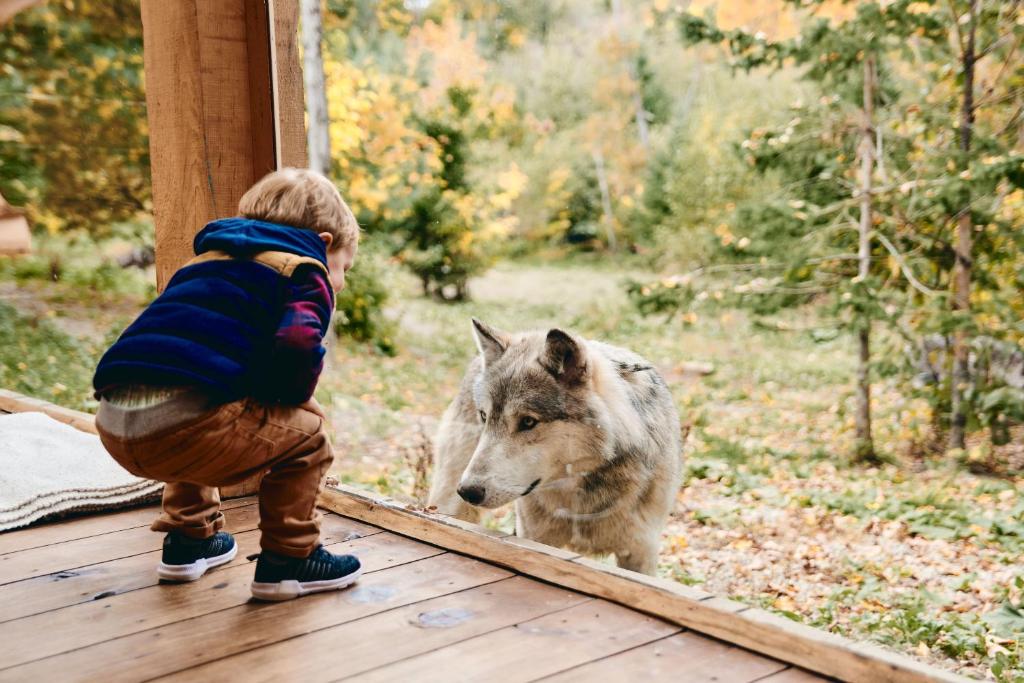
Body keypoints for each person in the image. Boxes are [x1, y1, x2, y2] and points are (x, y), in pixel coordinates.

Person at [92, 168, 361, 601]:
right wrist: (292, 399)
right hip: (185, 427)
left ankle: (189, 541)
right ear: (325, 243)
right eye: (344, 267)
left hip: (112, 423)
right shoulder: (303, 270)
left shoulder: (204, 262)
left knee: (200, 391)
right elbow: (297, 343)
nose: (341, 280)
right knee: (309, 435)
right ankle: (290, 559)